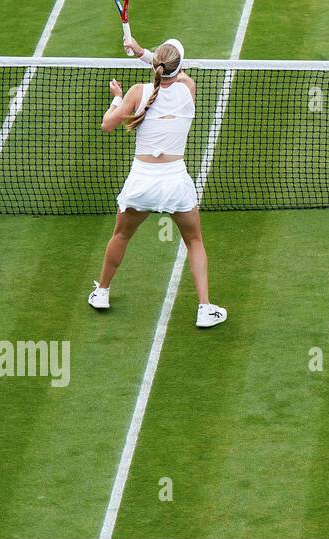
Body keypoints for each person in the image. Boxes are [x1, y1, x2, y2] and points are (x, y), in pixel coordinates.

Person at [87, 37, 227, 329]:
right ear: (180, 67)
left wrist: (117, 96)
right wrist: (143, 54)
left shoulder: (138, 93)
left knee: (121, 236)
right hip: (174, 183)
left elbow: (106, 124)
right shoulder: (188, 89)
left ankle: (102, 292)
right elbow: (171, 69)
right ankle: (204, 308)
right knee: (194, 241)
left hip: (142, 182)